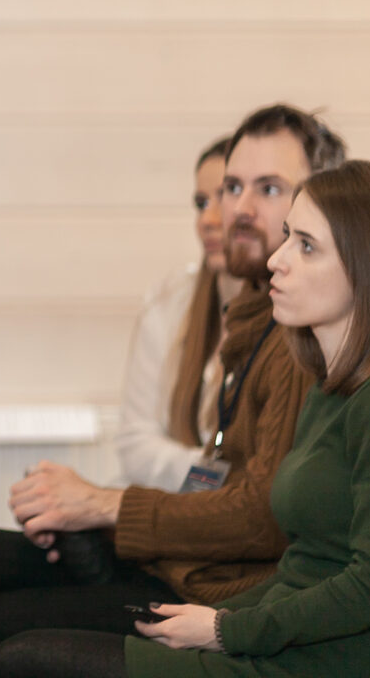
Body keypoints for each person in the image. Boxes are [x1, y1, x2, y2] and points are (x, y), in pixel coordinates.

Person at [0, 104, 342, 678]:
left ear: (320, 207)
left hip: (208, 595)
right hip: (179, 563)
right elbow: (220, 482)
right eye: (232, 187)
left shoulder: (301, 334)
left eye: (269, 189)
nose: (237, 209)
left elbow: (262, 517)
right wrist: (94, 516)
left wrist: (102, 504)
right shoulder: (252, 317)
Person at [0, 159, 370, 678]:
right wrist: (209, 619)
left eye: (306, 247)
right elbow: (301, 569)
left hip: (322, 663)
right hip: (277, 640)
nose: (277, 260)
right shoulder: (332, 389)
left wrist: (224, 630)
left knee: (23, 660)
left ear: (368, 266)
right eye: (288, 236)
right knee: (25, 643)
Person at [116, 136, 245, 492]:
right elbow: (135, 445)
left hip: (228, 512)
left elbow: (256, 476)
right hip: (175, 505)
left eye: (225, 196)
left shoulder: (290, 309)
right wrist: (211, 476)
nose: (207, 219)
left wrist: (208, 476)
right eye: (201, 203)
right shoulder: (169, 301)